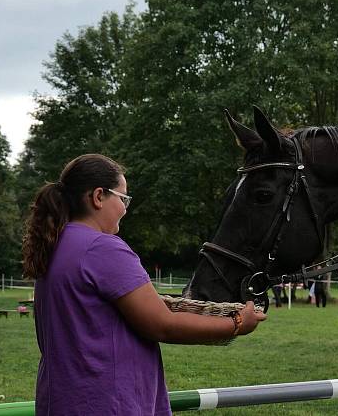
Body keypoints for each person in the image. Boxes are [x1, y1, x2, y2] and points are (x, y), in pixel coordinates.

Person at [22, 154, 266, 416]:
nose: (126, 208)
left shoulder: (56, 246)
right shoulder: (102, 248)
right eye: (123, 198)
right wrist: (237, 324)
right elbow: (162, 325)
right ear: (98, 197)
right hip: (108, 404)